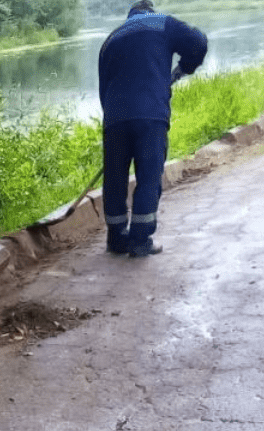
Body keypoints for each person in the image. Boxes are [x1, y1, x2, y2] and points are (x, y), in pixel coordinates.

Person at [99, 0, 207, 257]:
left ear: (130, 15)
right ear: (150, 11)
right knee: (148, 175)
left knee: (114, 178)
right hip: (150, 115)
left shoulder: (111, 39)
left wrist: (114, 121)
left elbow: (104, 86)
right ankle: (140, 239)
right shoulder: (163, 24)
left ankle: (116, 238)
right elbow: (199, 43)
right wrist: (183, 69)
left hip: (115, 118)